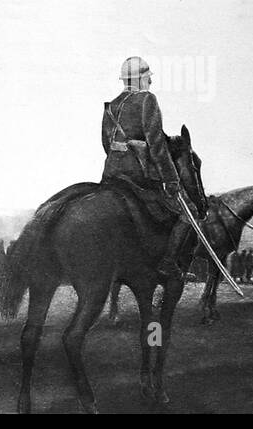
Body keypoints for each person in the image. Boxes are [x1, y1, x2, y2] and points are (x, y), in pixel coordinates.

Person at [102, 56, 203, 278]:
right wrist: (172, 179)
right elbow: (157, 144)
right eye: (147, 78)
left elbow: (105, 143)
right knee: (190, 212)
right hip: (137, 175)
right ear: (138, 80)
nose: (150, 82)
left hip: (111, 174)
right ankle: (167, 263)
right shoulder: (147, 100)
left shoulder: (112, 106)